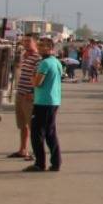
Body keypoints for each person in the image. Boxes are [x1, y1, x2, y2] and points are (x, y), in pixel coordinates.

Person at [26, 37, 64, 172]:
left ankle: (40, 163)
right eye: (39, 45)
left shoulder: (45, 63)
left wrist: (32, 76)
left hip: (43, 102)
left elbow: (37, 82)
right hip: (53, 101)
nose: (40, 48)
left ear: (49, 48)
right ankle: (56, 162)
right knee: (50, 133)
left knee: (37, 133)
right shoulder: (56, 62)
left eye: (42, 46)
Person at [8, 34, 41, 162]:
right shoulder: (23, 56)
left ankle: (36, 152)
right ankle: (23, 149)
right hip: (20, 93)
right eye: (24, 41)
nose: (26, 44)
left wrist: (32, 92)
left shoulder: (37, 58)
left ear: (35, 43)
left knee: (33, 126)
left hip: (29, 95)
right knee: (22, 125)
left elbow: (39, 78)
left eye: (29, 41)